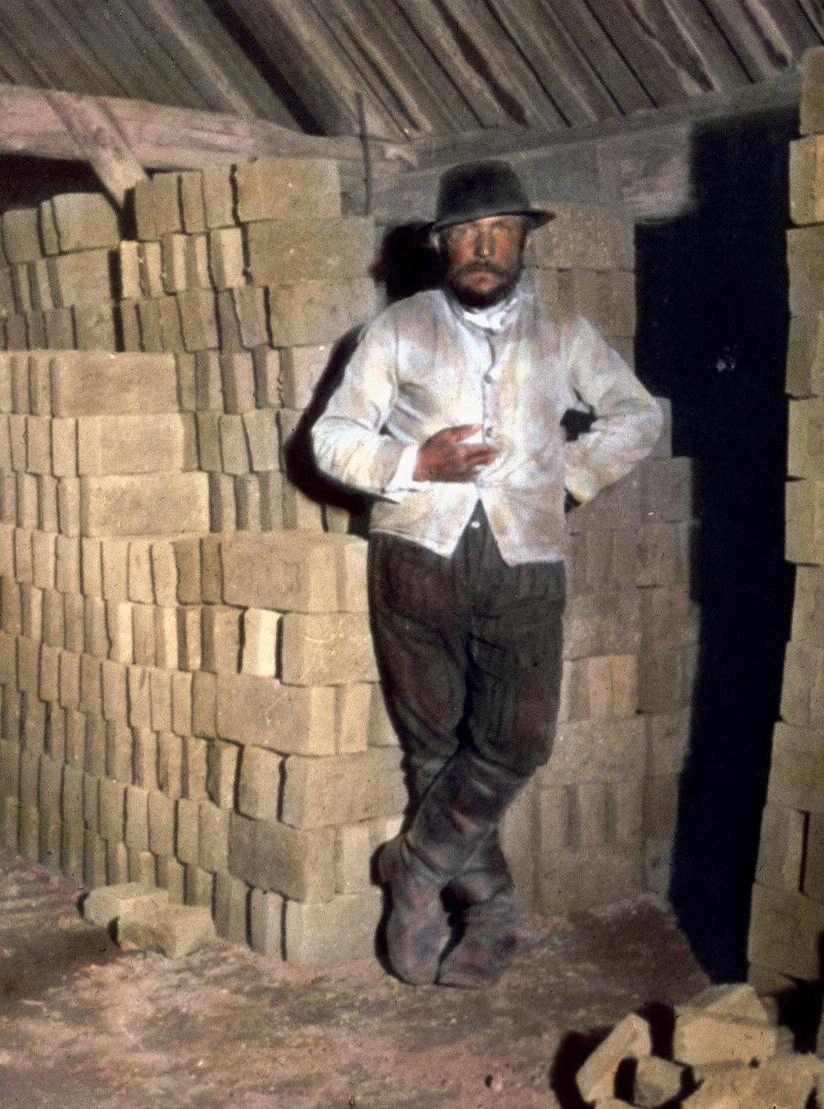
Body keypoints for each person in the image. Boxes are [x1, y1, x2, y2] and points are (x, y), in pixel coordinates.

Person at [311, 162, 662, 988]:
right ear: (440, 246)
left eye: (500, 231)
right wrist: (413, 462)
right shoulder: (398, 329)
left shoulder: (565, 331)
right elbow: (330, 439)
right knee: (433, 748)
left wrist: (568, 479)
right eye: (466, 233)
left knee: (518, 739)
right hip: (415, 562)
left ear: (524, 241)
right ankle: (494, 909)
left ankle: (415, 869)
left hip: (524, 564)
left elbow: (638, 415)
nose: (483, 247)